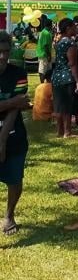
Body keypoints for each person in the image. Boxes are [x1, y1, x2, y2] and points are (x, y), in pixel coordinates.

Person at [0, 31, 30, 236]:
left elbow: (16, 109)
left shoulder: (18, 73)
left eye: (6, 51)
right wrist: (12, 102)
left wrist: (1, 142)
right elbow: (17, 103)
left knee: (15, 178)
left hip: (13, 134)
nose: (3, 56)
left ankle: (9, 214)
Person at [52, 18, 78, 138]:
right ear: (68, 28)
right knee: (67, 106)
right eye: (74, 27)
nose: (75, 29)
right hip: (67, 77)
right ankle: (67, 132)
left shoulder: (58, 42)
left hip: (56, 76)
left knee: (58, 105)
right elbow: (72, 63)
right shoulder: (70, 43)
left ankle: (59, 131)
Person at [36, 18, 53, 84]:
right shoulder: (46, 33)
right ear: (50, 25)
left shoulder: (42, 32)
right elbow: (45, 45)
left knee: (47, 70)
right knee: (42, 70)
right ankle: (42, 84)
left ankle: (47, 83)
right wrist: (49, 55)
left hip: (41, 53)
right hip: (44, 54)